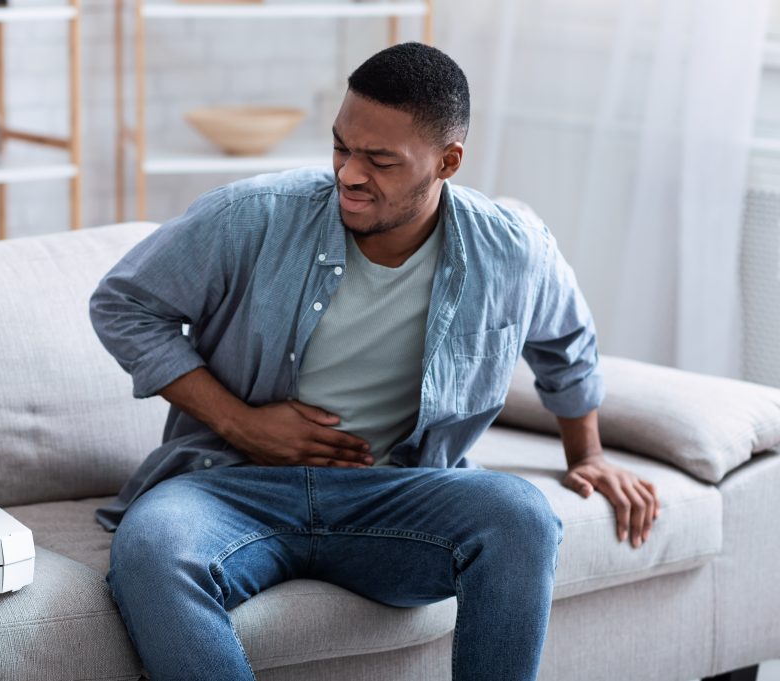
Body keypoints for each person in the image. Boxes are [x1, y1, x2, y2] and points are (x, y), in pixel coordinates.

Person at [89, 42, 661, 681]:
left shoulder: (513, 250)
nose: (349, 174)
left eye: (380, 160)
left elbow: (567, 343)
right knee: (152, 548)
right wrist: (242, 423)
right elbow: (123, 305)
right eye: (341, 147)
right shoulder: (251, 215)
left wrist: (587, 454)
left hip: (399, 495)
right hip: (231, 487)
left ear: (448, 161)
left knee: (520, 515)